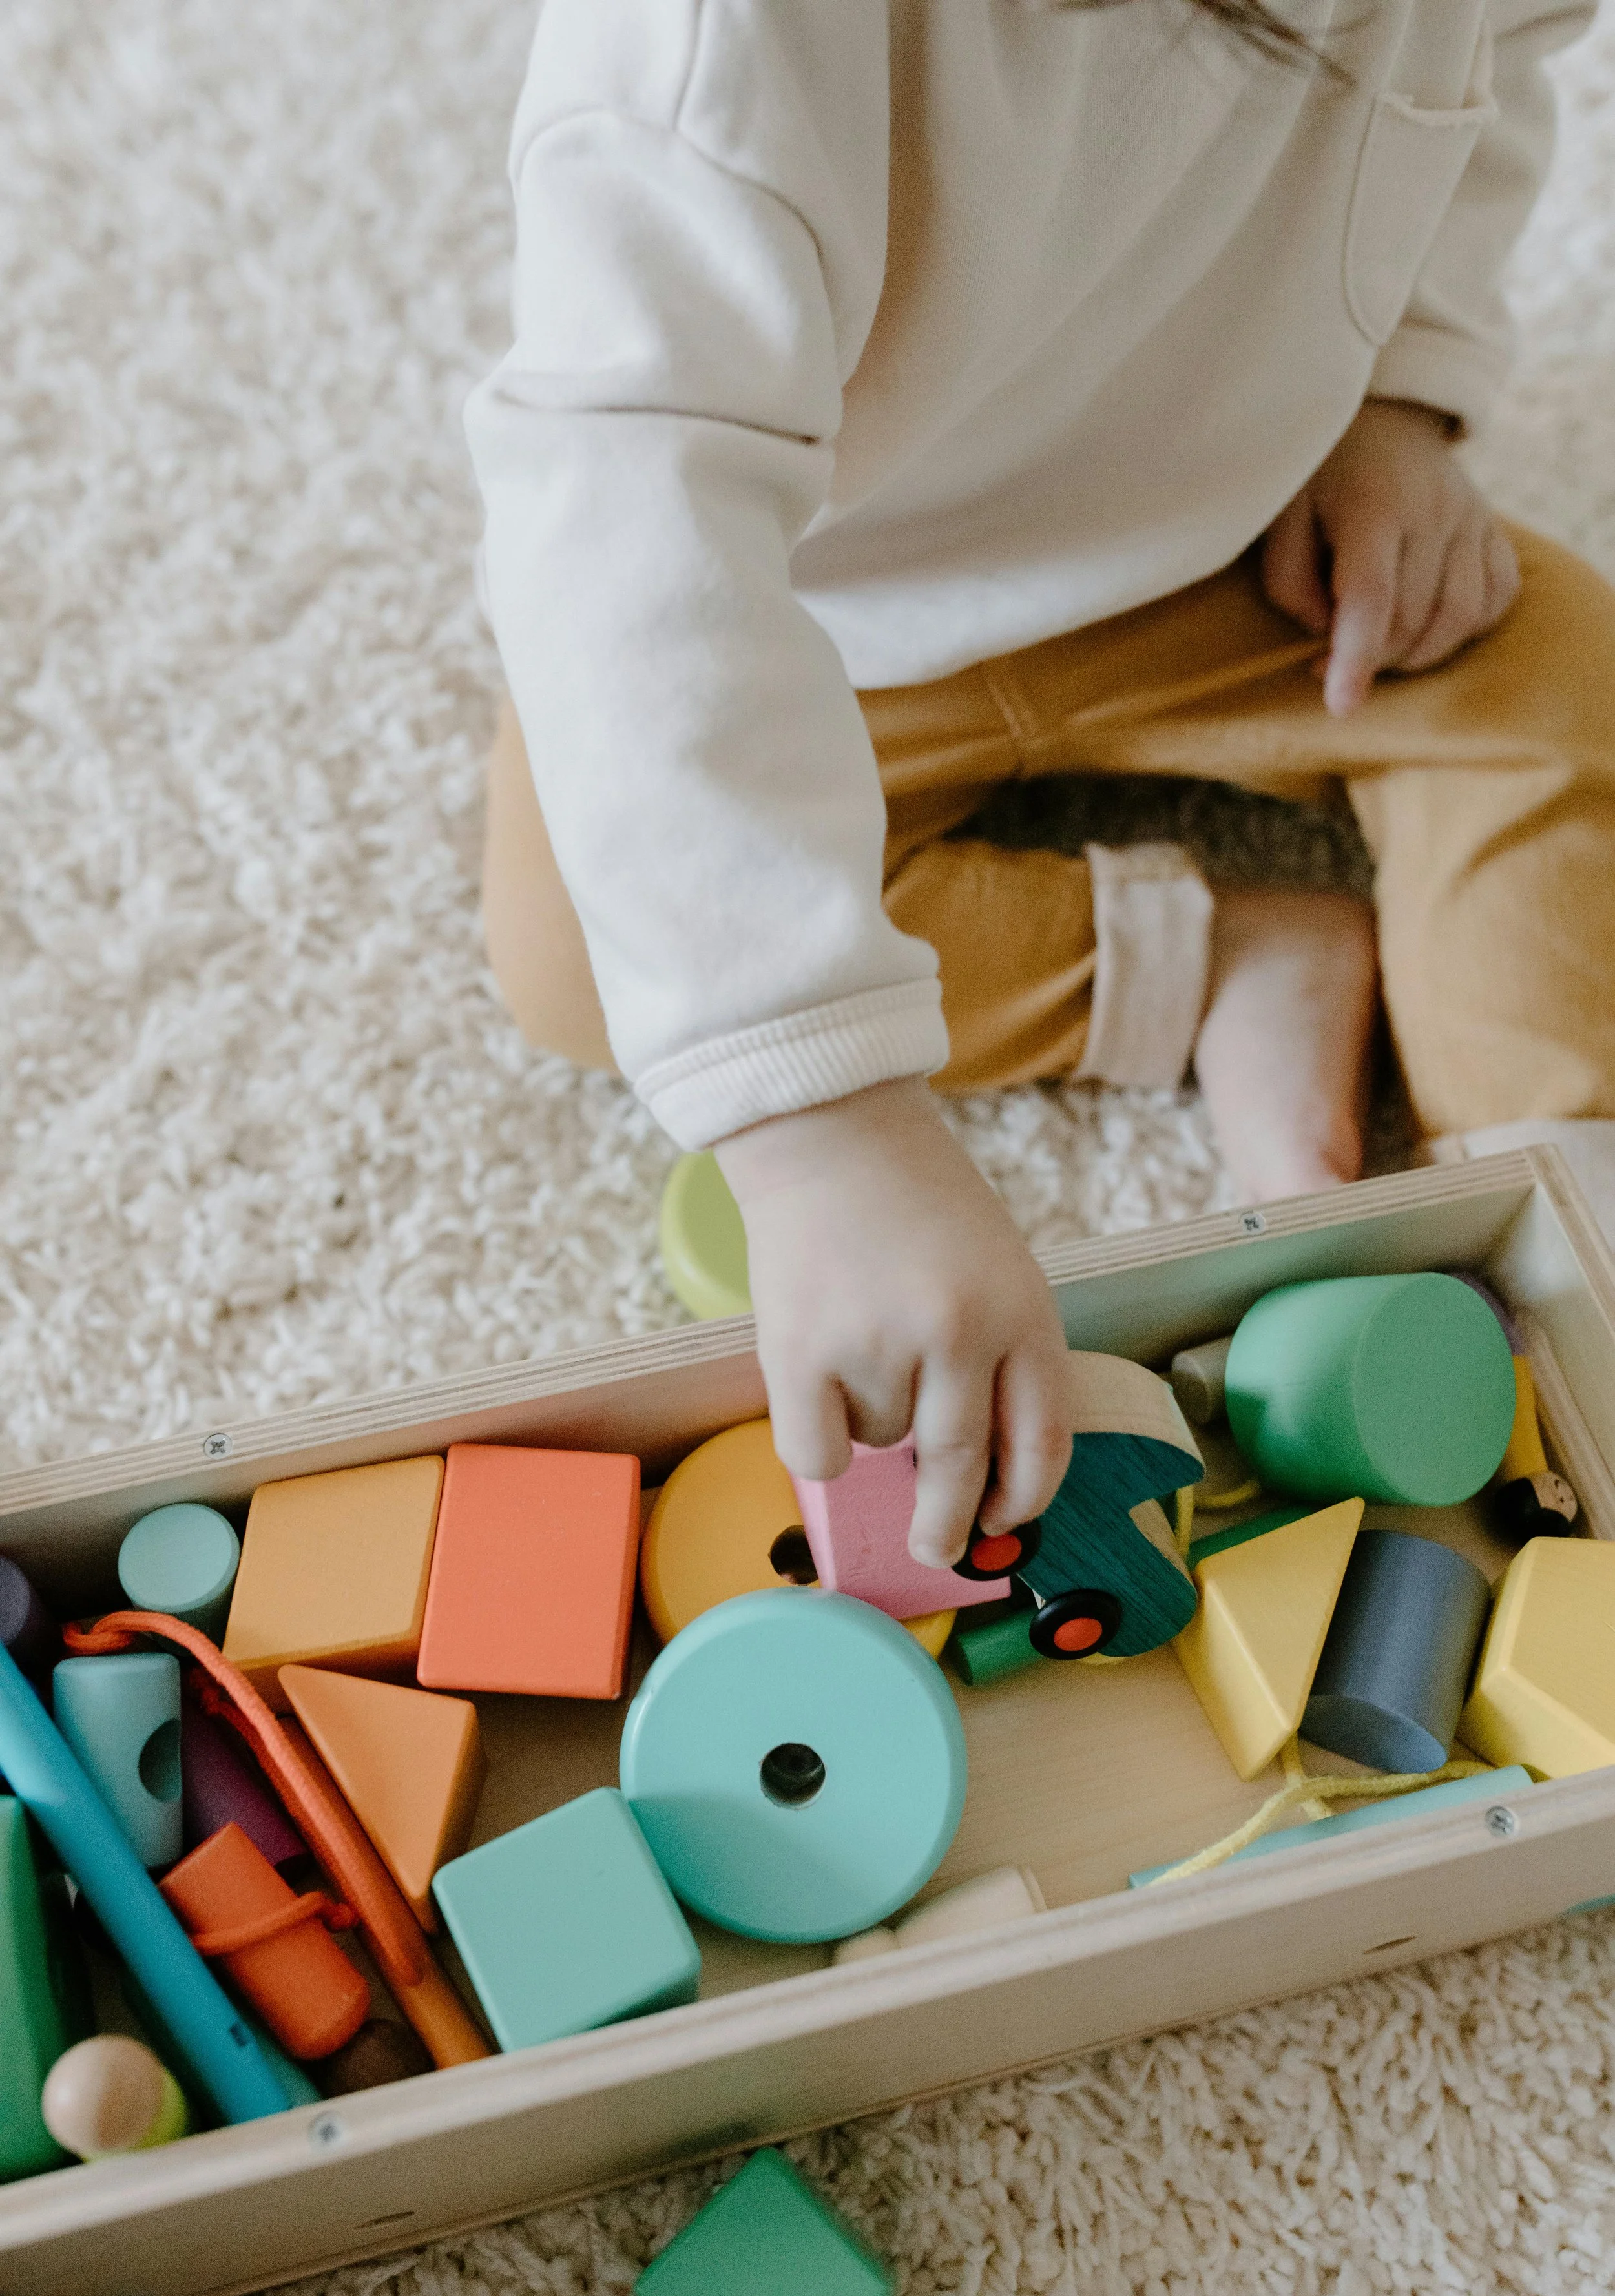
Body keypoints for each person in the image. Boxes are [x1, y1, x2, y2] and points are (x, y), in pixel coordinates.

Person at [466, 0, 1609, 1571]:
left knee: (1551, 673)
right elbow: (621, 531)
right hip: (822, 613)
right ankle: (1215, 956)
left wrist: (1398, 395)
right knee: (585, 937)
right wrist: (828, 1135)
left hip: (1240, 541)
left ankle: (1555, 1227)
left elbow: (1490, 65)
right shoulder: (715, 47)